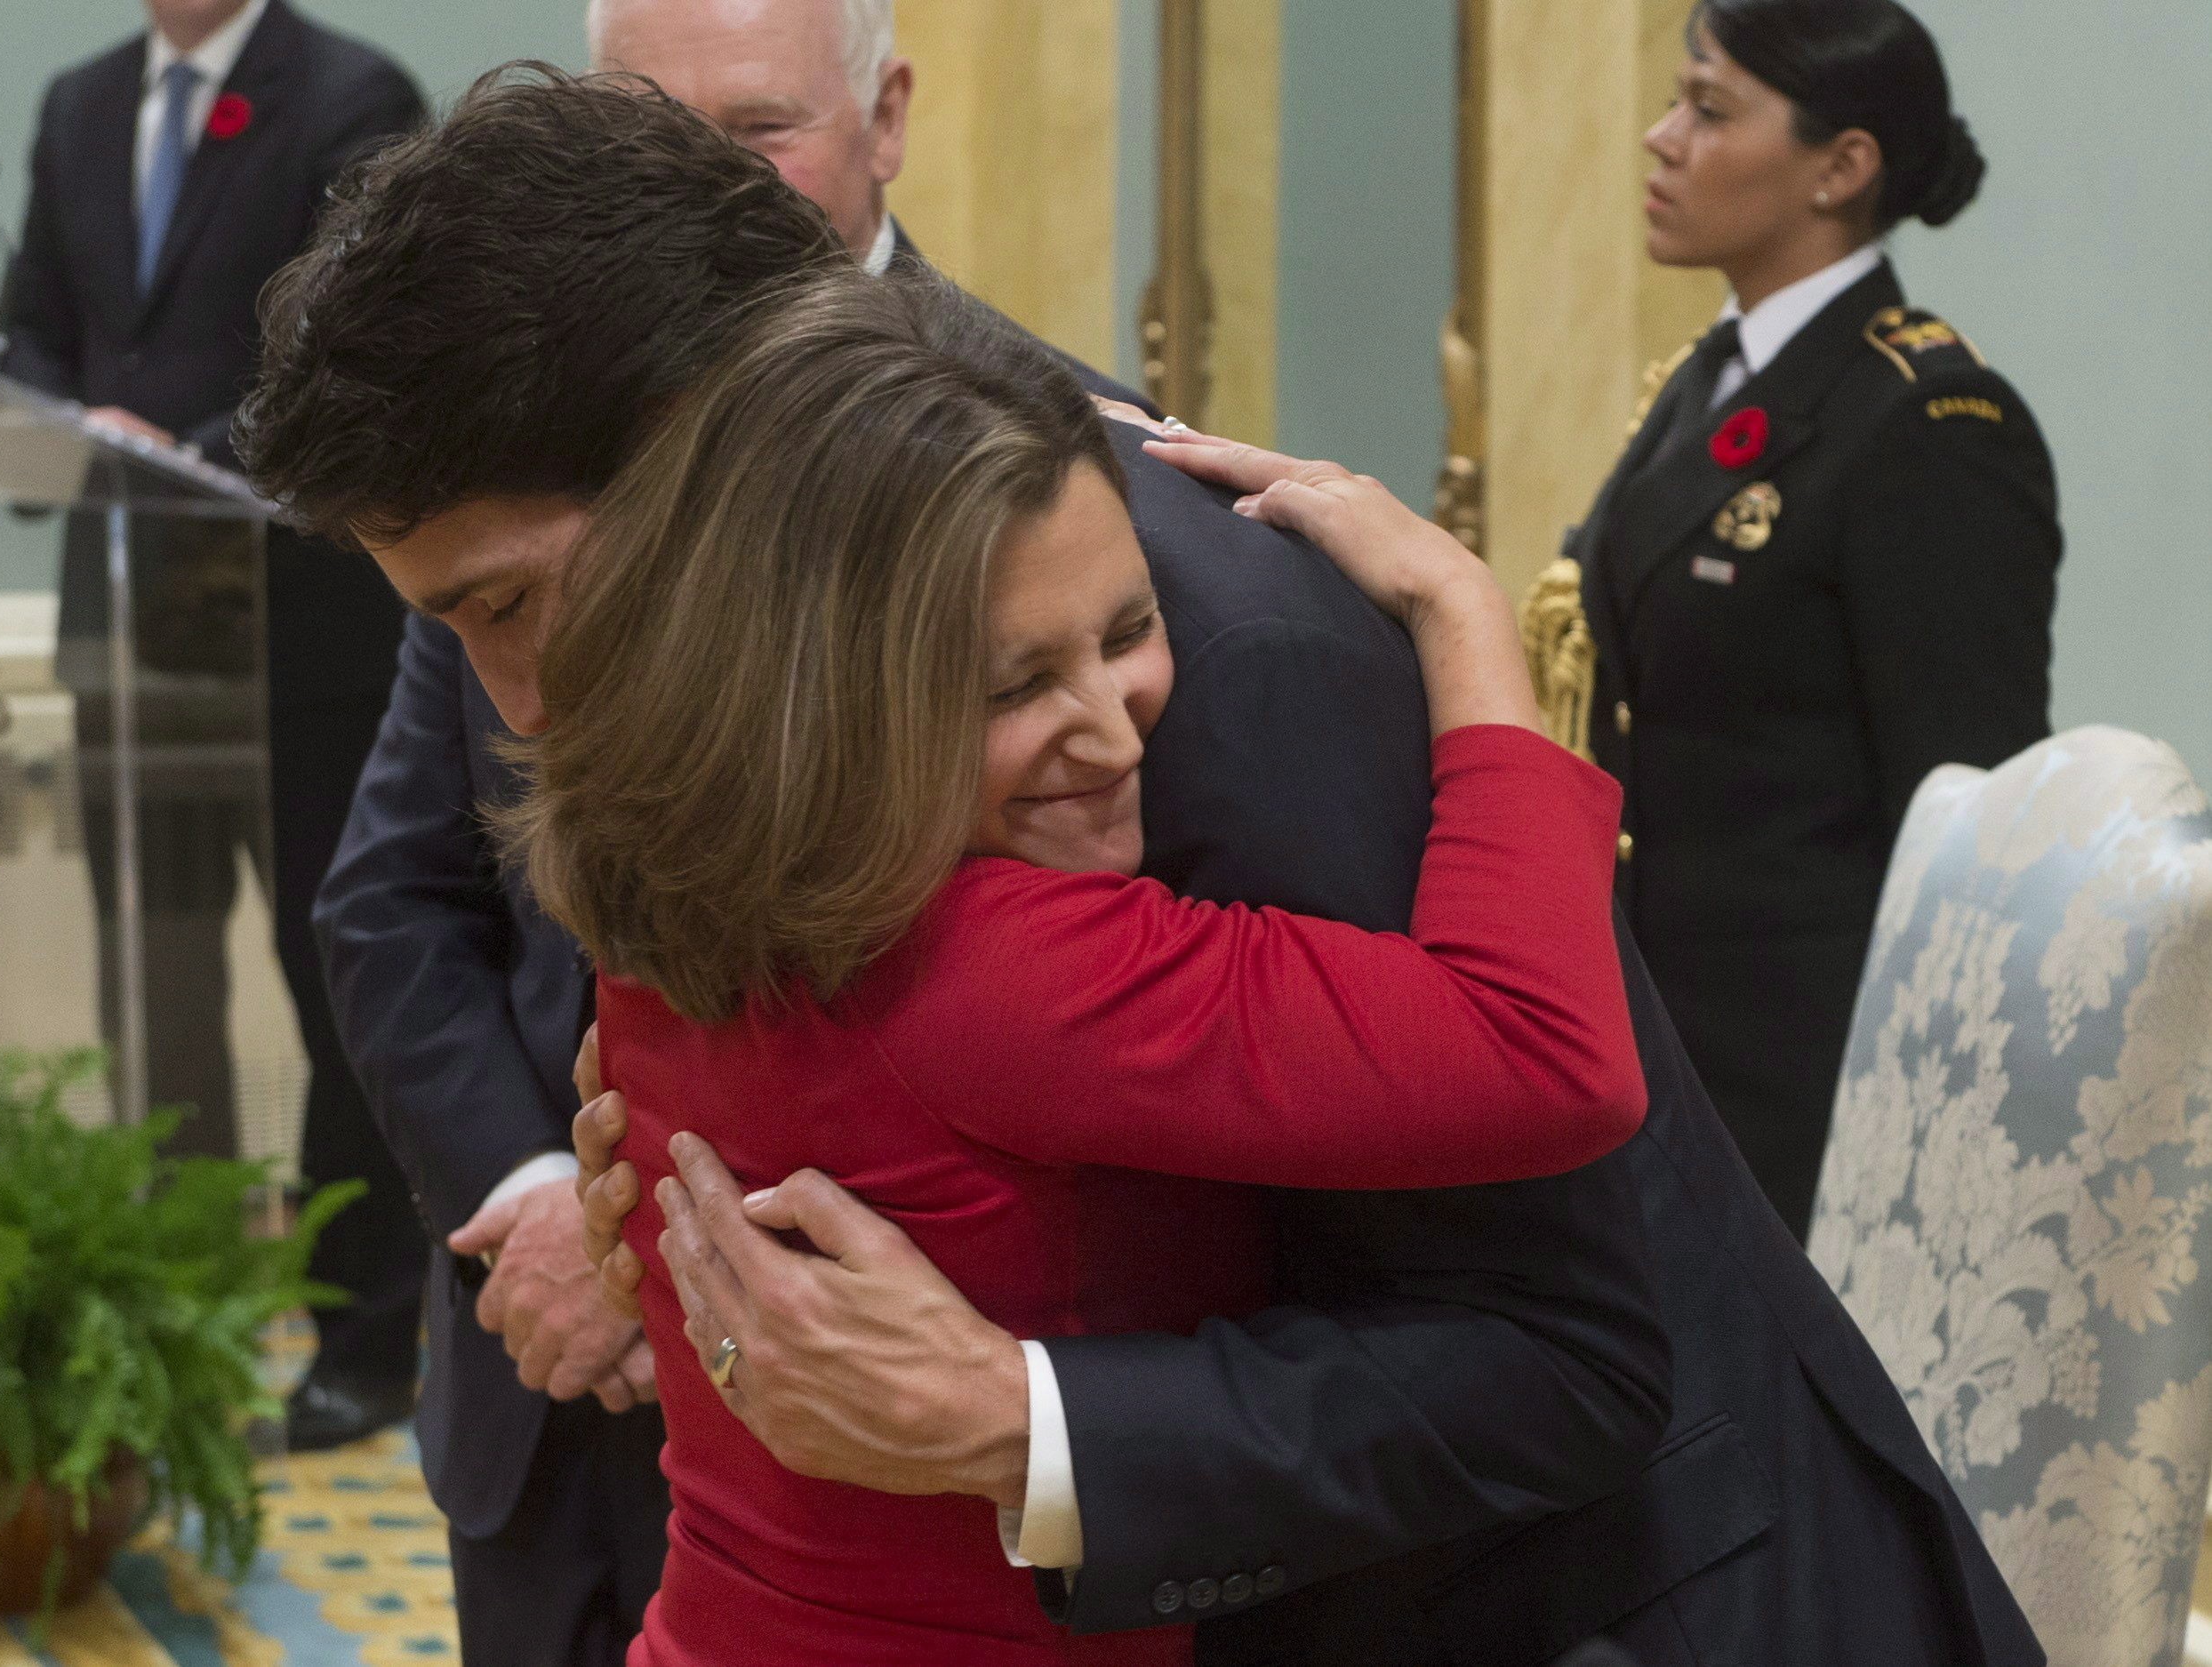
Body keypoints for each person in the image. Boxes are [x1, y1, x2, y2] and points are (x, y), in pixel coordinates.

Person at [247, 68, 2040, 1667]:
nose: (524, 703)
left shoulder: (1195, 662)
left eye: (506, 605)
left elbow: (1562, 1356)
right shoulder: (804, 665)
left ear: (721, 458)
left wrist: (1018, 1417)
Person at [502, 265, 1646, 1664]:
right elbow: (1544, 1052)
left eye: (1126, 632)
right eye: (1010, 687)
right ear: (829, 693)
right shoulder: (993, 966)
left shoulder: (667, 889)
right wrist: (1463, 613)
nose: (1111, 730)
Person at [283, 0, 924, 1650]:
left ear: (884, 121)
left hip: (849, 1444)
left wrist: (648, 1234)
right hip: (535, 1383)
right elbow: (393, 901)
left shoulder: (991, 460)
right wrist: (530, 1205)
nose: (687, 192)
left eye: (755, 131)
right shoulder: (496, 445)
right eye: (641, 130)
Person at [0, 0, 429, 1449]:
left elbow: (363, 344)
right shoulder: (74, 105)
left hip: (300, 633)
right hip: (132, 636)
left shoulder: (351, 94)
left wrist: (176, 458)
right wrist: (61, 424)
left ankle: (366, 1339)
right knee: (155, 995)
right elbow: (35, 333)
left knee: (339, 986)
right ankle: (177, 1320)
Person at [1570, 0, 2061, 1237]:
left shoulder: (1930, 423)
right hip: (1666, 1043)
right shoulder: (1718, 375)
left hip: (1811, 1080)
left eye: (1709, 109)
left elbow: (1962, 832)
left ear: (1842, 167)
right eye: (1677, 98)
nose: (1660, 136)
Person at [587, 0, 910, 269]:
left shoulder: (946, 347)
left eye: (762, 128)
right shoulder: (566, 340)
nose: (700, 185)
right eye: (653, 132)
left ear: (885, 119)